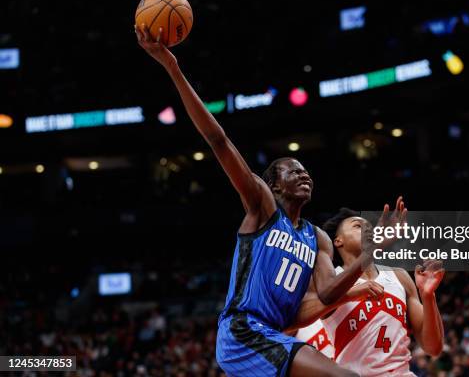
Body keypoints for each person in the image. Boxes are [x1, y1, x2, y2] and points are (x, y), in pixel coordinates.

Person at [135, 24, 406, 377]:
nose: (303, 175)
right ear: (273, 186)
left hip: (272, 337)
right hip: (242, 331)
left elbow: (326, 295)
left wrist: (371, 253)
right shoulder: (263, 207)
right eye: (292, 172)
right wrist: (173, 68)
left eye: (306, 171)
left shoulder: (317, 238)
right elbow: (219, 141)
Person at [293, 208, 445, 376]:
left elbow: (433, 348)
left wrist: (428, 296)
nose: (367, 229)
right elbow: (297, 319)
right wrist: (351, 294)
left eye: (370, 227)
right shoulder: (330, 281)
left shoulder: (399, 276)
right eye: (358, 226)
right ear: (338, 241)